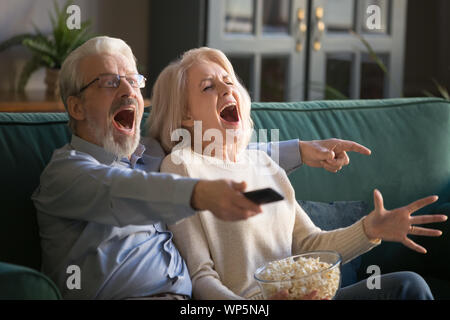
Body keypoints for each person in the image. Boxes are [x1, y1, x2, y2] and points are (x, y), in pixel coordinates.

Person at [30, 36, 371, 300]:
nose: (128, 92)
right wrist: (199, 193)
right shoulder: (67, 172)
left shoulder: (150, 152)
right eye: (110, 82)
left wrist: (301, 150)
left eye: (134, 81)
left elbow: (220, 152)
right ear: (75, 106)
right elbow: (121, 190)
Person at [151, 47, 448, 300]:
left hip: (308, 293)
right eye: (208, 86)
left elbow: (309, 245)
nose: (227, 89)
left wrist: (370, 230)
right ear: (186, 115)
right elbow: (200, 275)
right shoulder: (182, 166)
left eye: (229, 82)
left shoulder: (265, 164)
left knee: (408, 285)